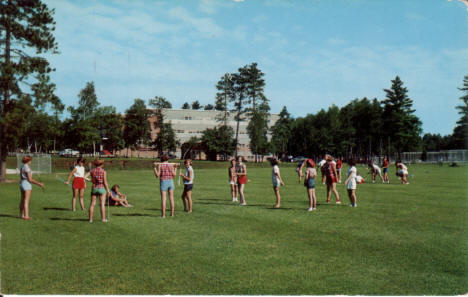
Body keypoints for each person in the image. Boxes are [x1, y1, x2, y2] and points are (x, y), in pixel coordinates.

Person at [19, 156, 44, 220]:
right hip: (26, 184)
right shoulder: (27, 167)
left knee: (22, 199)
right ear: (28, 161)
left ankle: (21, 215)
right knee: (26, 201)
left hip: (21, 183)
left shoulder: (22, 166)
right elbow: (30, 179)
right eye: (30, 161)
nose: (31, 162)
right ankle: (26, 216)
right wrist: (39, 184)